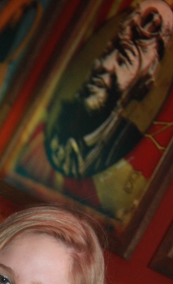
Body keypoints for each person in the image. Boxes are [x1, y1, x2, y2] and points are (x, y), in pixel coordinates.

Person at [46, 0, 173, 178]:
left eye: (124, 61)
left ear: (143, 88)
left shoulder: (124, 144)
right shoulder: (58, 123)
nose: (104, 65)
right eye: (108, 51)